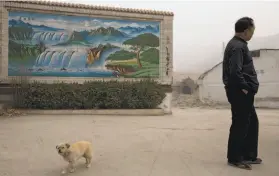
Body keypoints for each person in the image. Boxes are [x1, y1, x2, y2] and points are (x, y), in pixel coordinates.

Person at [222, 17, 262, 170]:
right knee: (240, 124)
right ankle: (235, 158)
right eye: (252, 30)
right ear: (246, 31)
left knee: (251, 123)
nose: (252, 33)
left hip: (241, 91)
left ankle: (248, 155)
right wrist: (245, 87)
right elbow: (234, 72)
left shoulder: (238, 45)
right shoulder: (238, 46)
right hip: (239, 92)